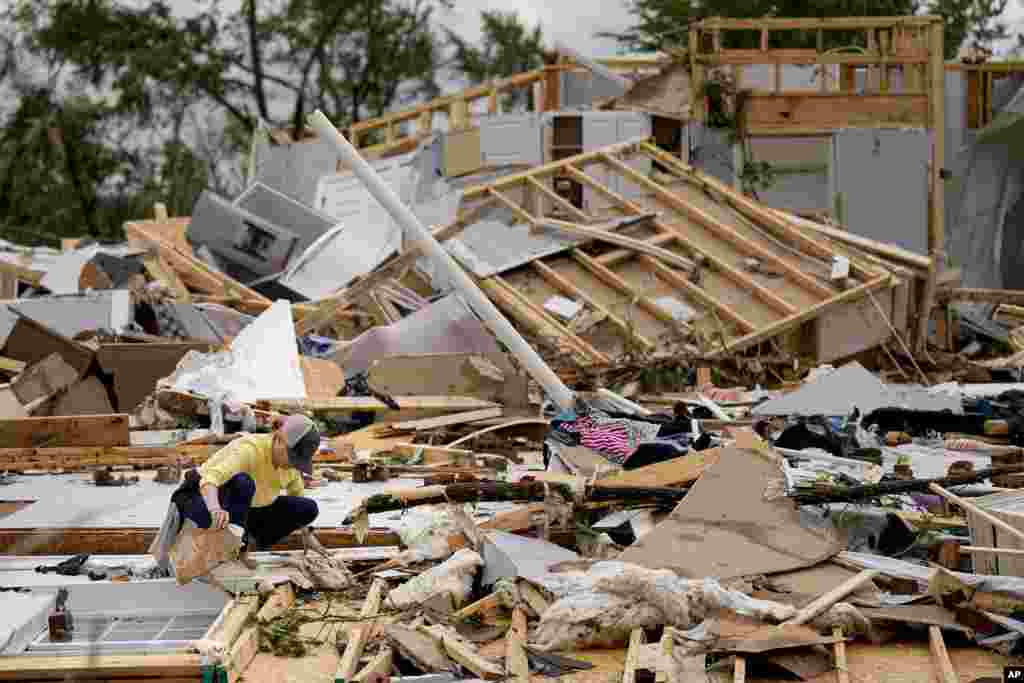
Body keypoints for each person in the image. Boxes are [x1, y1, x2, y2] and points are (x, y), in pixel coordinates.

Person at [171, 414, 326, 569]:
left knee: (307, 508)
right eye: (291, 458)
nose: (292, 464)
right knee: (243, 483)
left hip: (240, 510)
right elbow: (210, 479)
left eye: (297, 461)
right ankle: (233, 551)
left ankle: (244, 543)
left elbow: (296, 494)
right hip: (200, 499)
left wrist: (307, 535)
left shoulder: (290, 467)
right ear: (279, 439)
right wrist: (215, 509)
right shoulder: (250, 450)